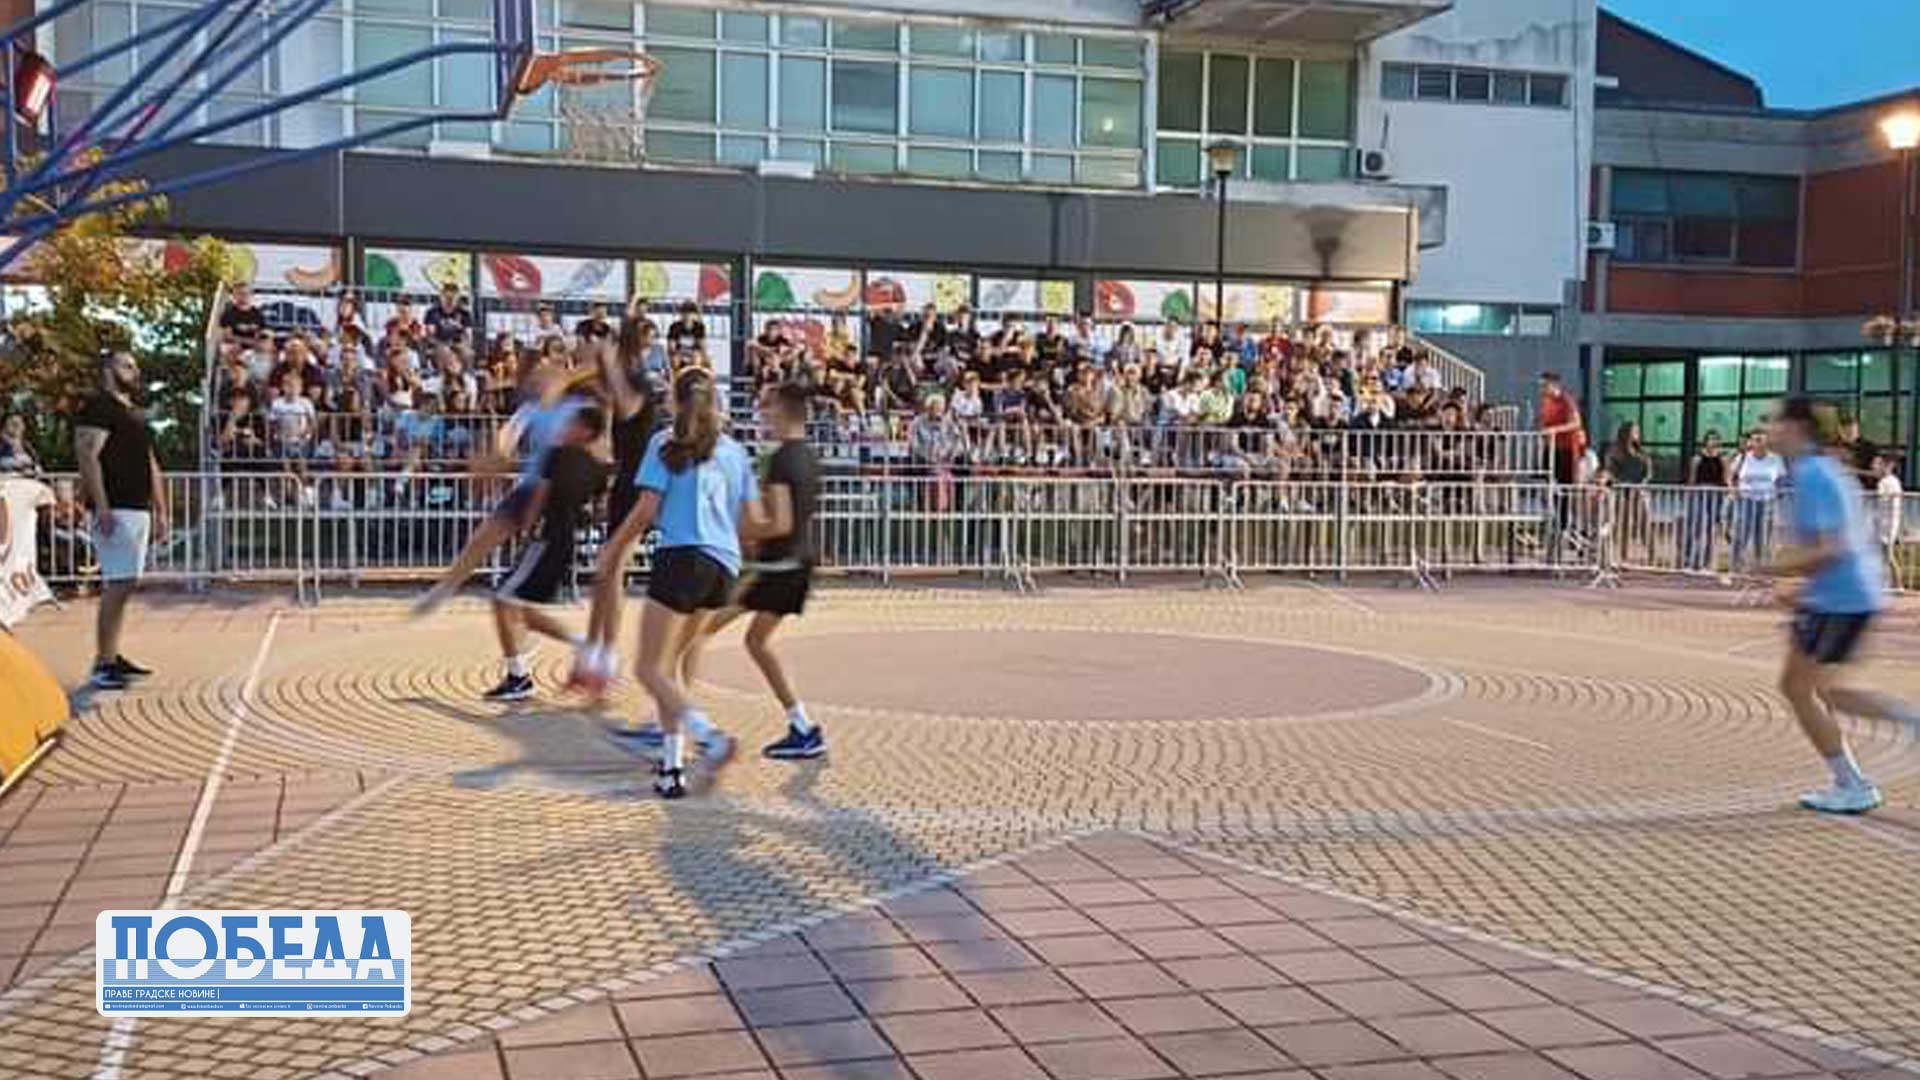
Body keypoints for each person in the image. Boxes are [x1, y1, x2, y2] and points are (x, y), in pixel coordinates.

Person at [584, 369, 771, 799]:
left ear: (674, 399)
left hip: (682, 557)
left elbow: (646, 510)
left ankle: (709, 738)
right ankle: (671, 768)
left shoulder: (666, 443)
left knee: (649, 668)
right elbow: (752, 520)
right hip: (723, 565)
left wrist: (613, 550)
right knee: (670, 667)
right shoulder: (734, 451)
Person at [1768, 396, 1918, 815]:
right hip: (1839, 595)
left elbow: (1830, 548)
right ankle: (1851, 779)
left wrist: (1775, 566)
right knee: (1804, 687)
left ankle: (1859, 775)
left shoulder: (1814, 473)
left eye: (1775, 421)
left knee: (1820, 689)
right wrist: (1798, 585)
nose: (1769, 429)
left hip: (1842, 598)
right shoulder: (1819, 470)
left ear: (1796, 428)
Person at [411, 358, 593, 616]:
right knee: (483, 538)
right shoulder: (531, 409)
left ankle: (560, 602)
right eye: (537, 377)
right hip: (532, 486)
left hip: (561, 493)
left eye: (545, 375)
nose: (539, 382)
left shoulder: (579, 408)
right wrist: (496, 455)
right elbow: (508, 436)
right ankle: (444, 588)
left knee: (526, 581)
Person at [704, 383, 825, 759]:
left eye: (767, 408)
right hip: (795, 563)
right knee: (756, 642)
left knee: (694, 631)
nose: (763, 416)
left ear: (783, 411)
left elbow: (779, 523)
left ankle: (673, 723)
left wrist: (733, 528)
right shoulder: (808, 457)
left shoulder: (782, 459)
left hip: (776, 566)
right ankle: (803, 726)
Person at [484, 405, 606, 702]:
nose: (566, 427)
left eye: (573, 423)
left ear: (586, 431)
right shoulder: (598, 468)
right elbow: (599, 510)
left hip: (546, 538)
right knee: (517, 608)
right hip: (566, 542)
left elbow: (539, 496)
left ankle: (519, 676)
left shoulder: (557, 455)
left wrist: (527, 529)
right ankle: (577, 646)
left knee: (503, 600)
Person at [73, 351, 168, 691]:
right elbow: (87, 454)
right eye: (126, 365)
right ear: (108, 369)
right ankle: (103, 664)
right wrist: (101, 506)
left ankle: (110, 656)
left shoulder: (132, 413)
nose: (134, 370)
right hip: (115, 507)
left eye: (135, 365)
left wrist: (161, 510)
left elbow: (150, 462)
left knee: (126, 583)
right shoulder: (99, 407)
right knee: (119, 583)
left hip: (137, 507)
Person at [1730, 428, 1785, 578]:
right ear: (1751, 442)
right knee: (1742, 532)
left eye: (1761, 439)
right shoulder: (1743, 458)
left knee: (1762, 535)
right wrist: (1733, 490)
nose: (1758, 443)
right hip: (1746, 499)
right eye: (1755, 440)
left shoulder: (1775, 459)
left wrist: (1778, 494)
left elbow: (1781, 478)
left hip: (1766, 501)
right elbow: (1731, 474)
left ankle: (1760, 567)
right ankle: (1735, 566)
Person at [1683, 430, 1729, 572]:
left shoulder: (1722, 458)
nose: (1712, 442)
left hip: (1716, 494)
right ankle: (1689, 560)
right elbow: (1692, 479)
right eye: (1710, 439)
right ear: (1705, 441)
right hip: (1699, 492)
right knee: (1695, 526)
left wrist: (1727, 493)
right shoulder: (1697, 458)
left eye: (1715, 439)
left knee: (1711, 529)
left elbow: (1725, 478)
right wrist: (1690, 494)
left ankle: (1706, 562)